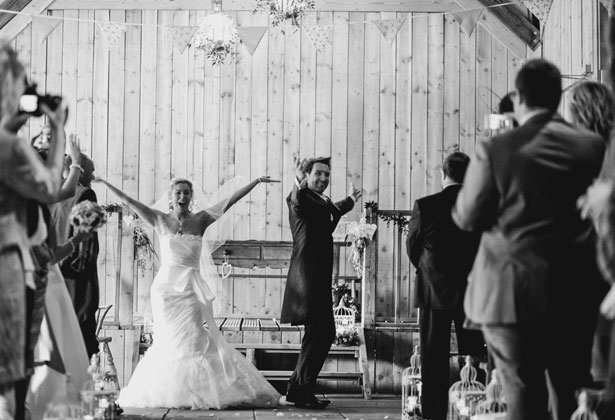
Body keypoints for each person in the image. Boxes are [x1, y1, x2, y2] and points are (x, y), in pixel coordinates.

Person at [453, 59, 605, 420]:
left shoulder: (496, 149)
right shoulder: (592, 146)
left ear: (518, 98)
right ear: (556, 98)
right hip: (575, 291)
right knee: (569, 396)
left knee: (522, 396)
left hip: (510, 294)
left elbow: (467, 216)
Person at [94, 175, 282, 409]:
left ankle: (199, 390)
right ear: (171, 197)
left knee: (193, 339)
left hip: (190, 289)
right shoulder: (159, 218)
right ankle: (171, 392)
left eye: (186, 192)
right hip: (165, 291)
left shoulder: (201, 219)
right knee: (167, 341)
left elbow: (229, 201)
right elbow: (129, 200)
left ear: (191, 197)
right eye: (178, 193)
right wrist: (104, 182)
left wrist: (254, 183)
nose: (182, 196)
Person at [0, 42, 67, 420]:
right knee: (9, 372)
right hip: (6, 264)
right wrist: (56, 129)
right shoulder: (9, 147)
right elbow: (49, 187)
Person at [406, 152, 486, 420]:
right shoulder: (480, 206)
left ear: (443, 174)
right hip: (471, 291)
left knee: (432, 357)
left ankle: (433, 414)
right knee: (475, 354)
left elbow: (413, 247)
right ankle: (477, 409)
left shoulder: (426, 205)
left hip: (433, 290)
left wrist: (429, 269)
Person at [281, 156, 362, 409]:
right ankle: (302, 391)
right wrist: (297, 180)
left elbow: (332, 211)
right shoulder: (301, 198)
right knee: (323, 332)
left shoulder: (320, 201)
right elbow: (296, 200)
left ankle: (297, 390)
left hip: (317, 277)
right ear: (306, 175)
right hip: (307, 278)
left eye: (327, 175)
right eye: (319, 174)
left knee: (317, 334)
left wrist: (351, 200)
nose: (324, 179)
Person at [49, 152, 100, 358]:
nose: (93, 176)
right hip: (78, 274)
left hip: (55, 271)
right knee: (82, 328)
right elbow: (86, 241)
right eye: (91, 171)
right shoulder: (85, 194)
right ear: (81, 172)